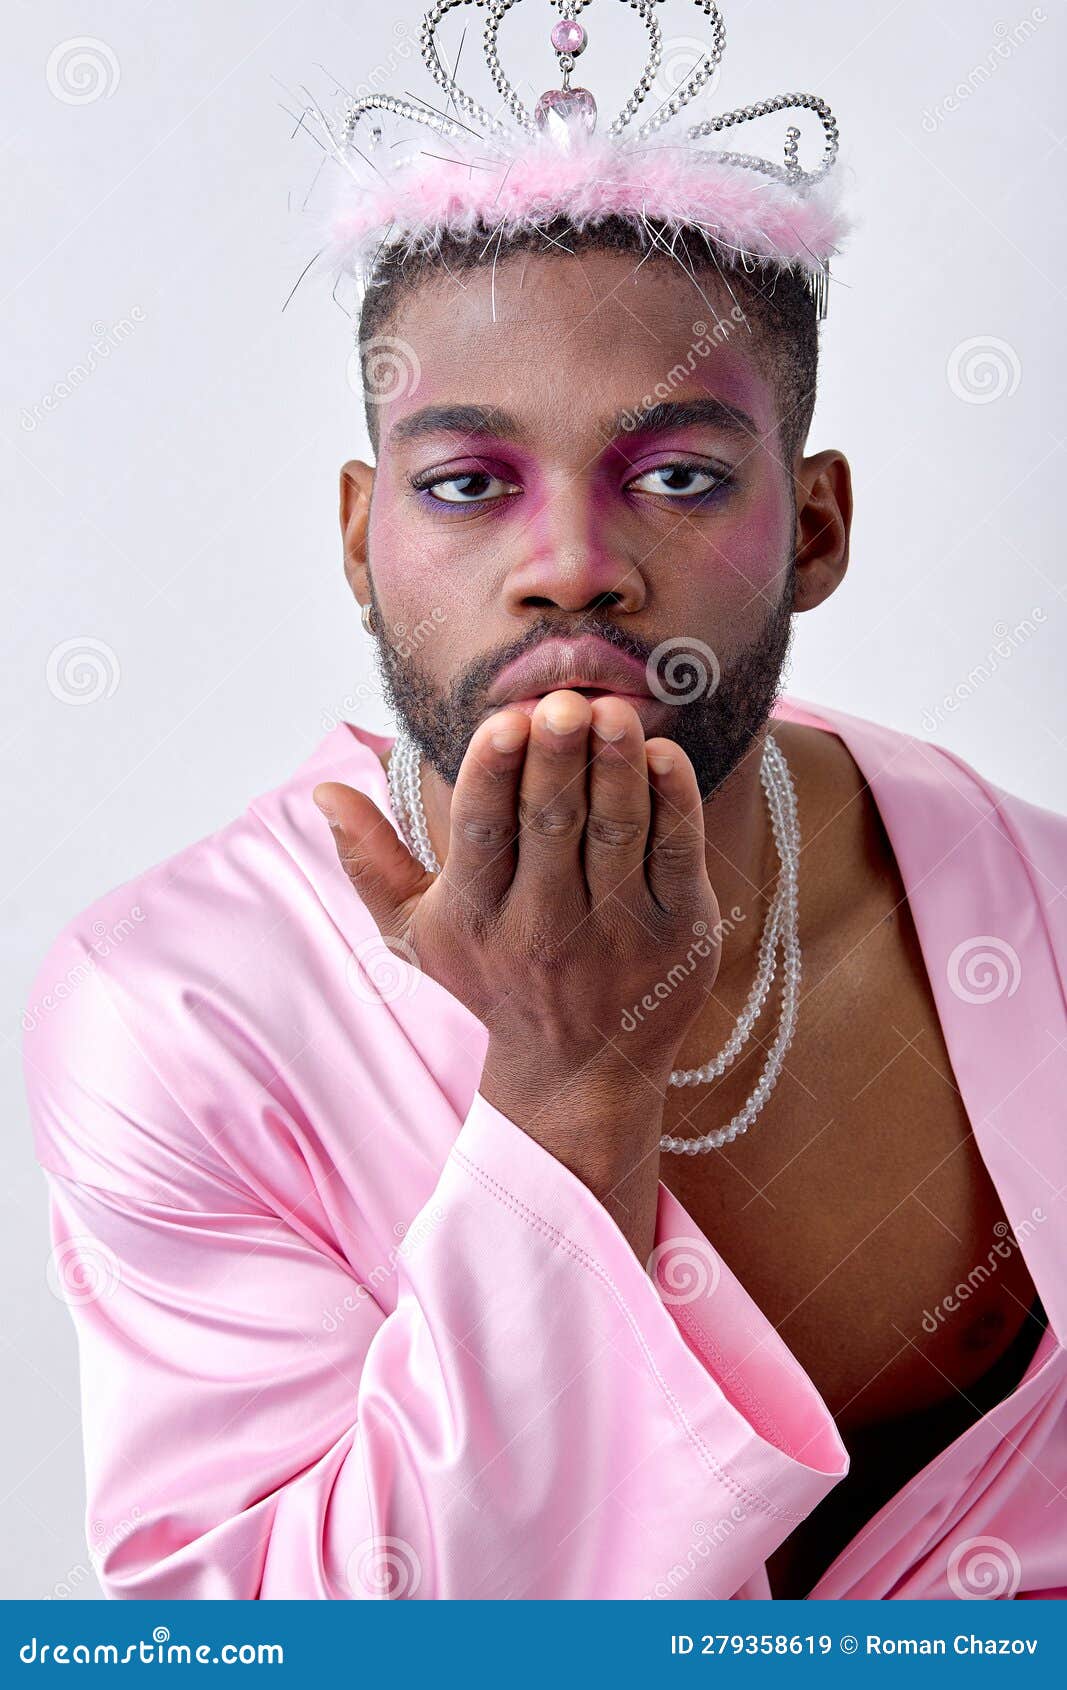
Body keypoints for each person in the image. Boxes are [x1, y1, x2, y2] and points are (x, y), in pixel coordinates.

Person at [23, 1, 1065, 1601]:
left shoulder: (1039, 911)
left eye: (678, 477)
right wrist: (568, 1092)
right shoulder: (173, 1012)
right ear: (365, 536)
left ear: (816, 524)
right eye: (466, 485)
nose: (571, 563)